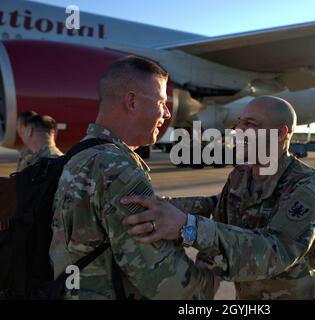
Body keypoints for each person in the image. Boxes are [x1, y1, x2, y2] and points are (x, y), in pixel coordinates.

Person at [121, 96, 315, 300]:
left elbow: (277, 251)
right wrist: (159, 206)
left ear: (280, 134)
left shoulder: (308, 186)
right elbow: (219, 210)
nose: (238, 132)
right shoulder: (241, 174)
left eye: (251, 125)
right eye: (239, 123)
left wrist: (188, 226)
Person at [50, 56, 215, 300]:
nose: (168, 113)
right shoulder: (117, 170)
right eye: (161, 101)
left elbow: (131, 209)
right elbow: (170, 286)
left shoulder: (81, 154)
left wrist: (209, 204)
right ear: (132, 101)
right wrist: (210, 264)